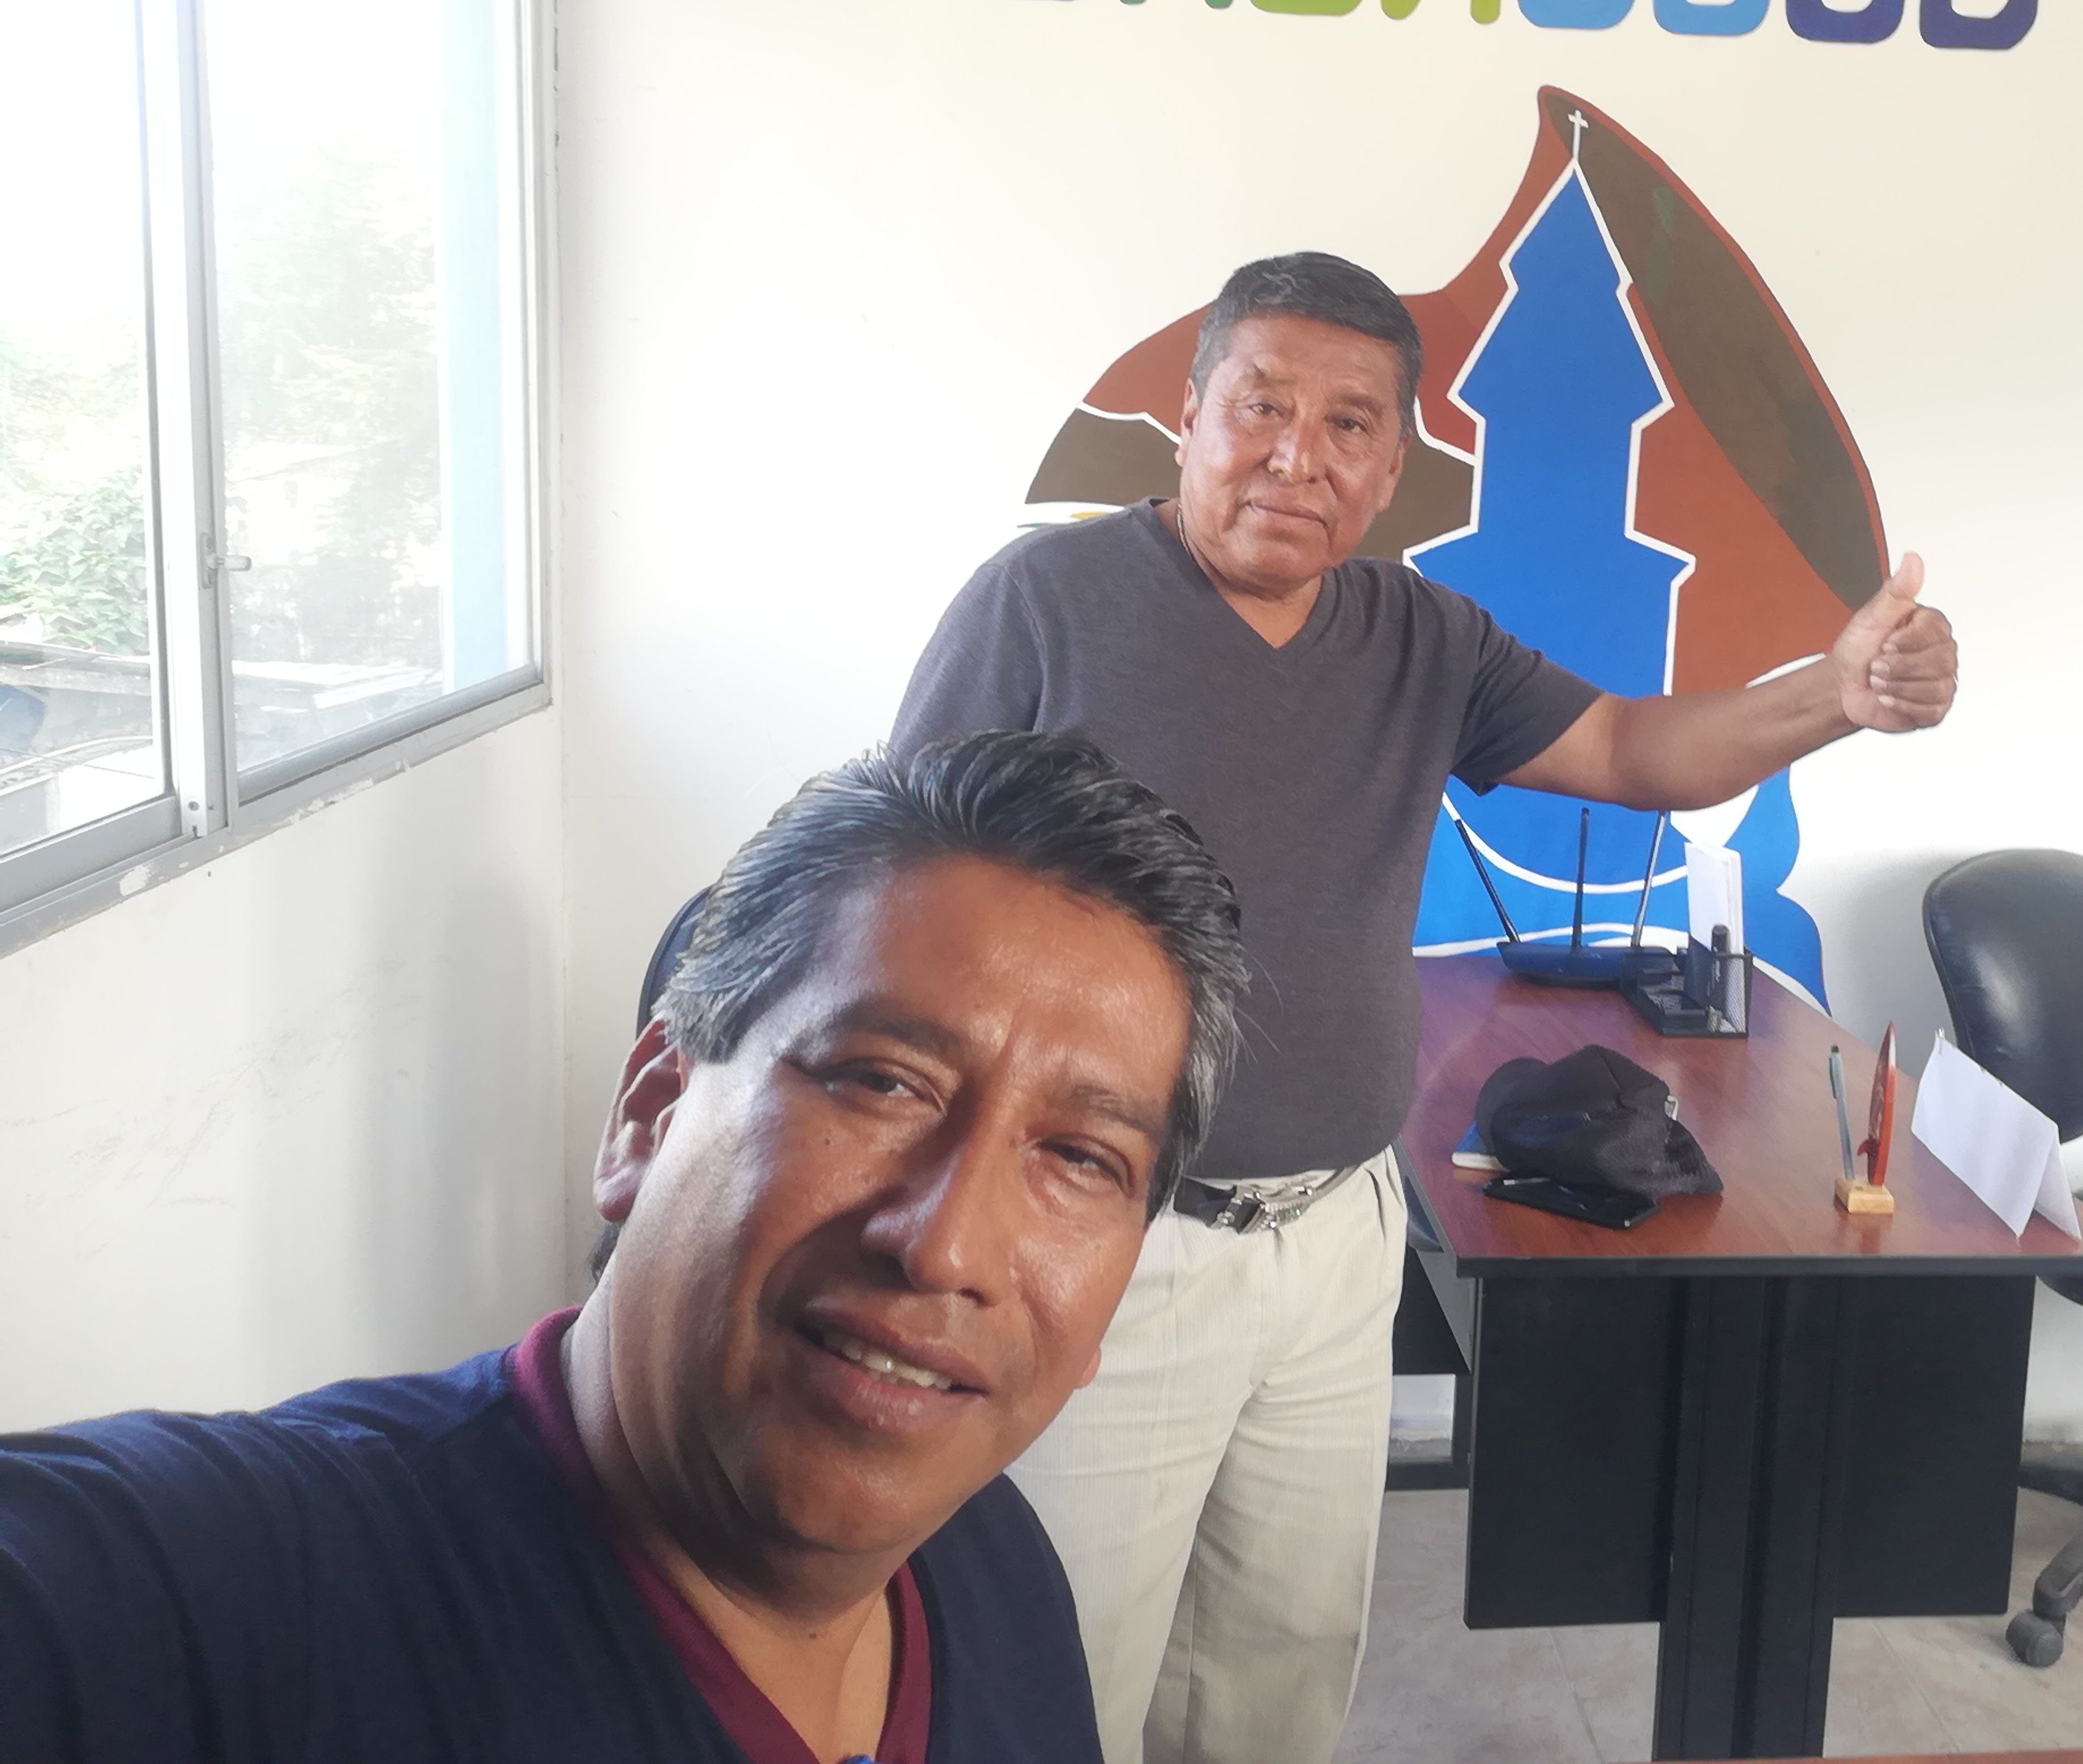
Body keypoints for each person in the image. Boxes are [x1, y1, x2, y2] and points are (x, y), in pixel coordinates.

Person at [891, 252, 1960, 1764]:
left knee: (1275, 1672)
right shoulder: (1043, 605)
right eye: (1261, 407)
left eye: (1348, 425)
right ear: (1189, 416)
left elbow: (1636, 752)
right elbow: (904, 891)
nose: (1297, 456)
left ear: (1393, 467)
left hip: (1338, 1239)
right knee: (1058, 1675)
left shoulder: (1422, 635)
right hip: (1109, 1240)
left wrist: (1834, 696)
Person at [0, 731, 1246, 1764]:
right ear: (649, 1114)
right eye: (880, 1081)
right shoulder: (234, 1600)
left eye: (1081, 1158)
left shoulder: (996, 1573)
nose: (946, 1248)